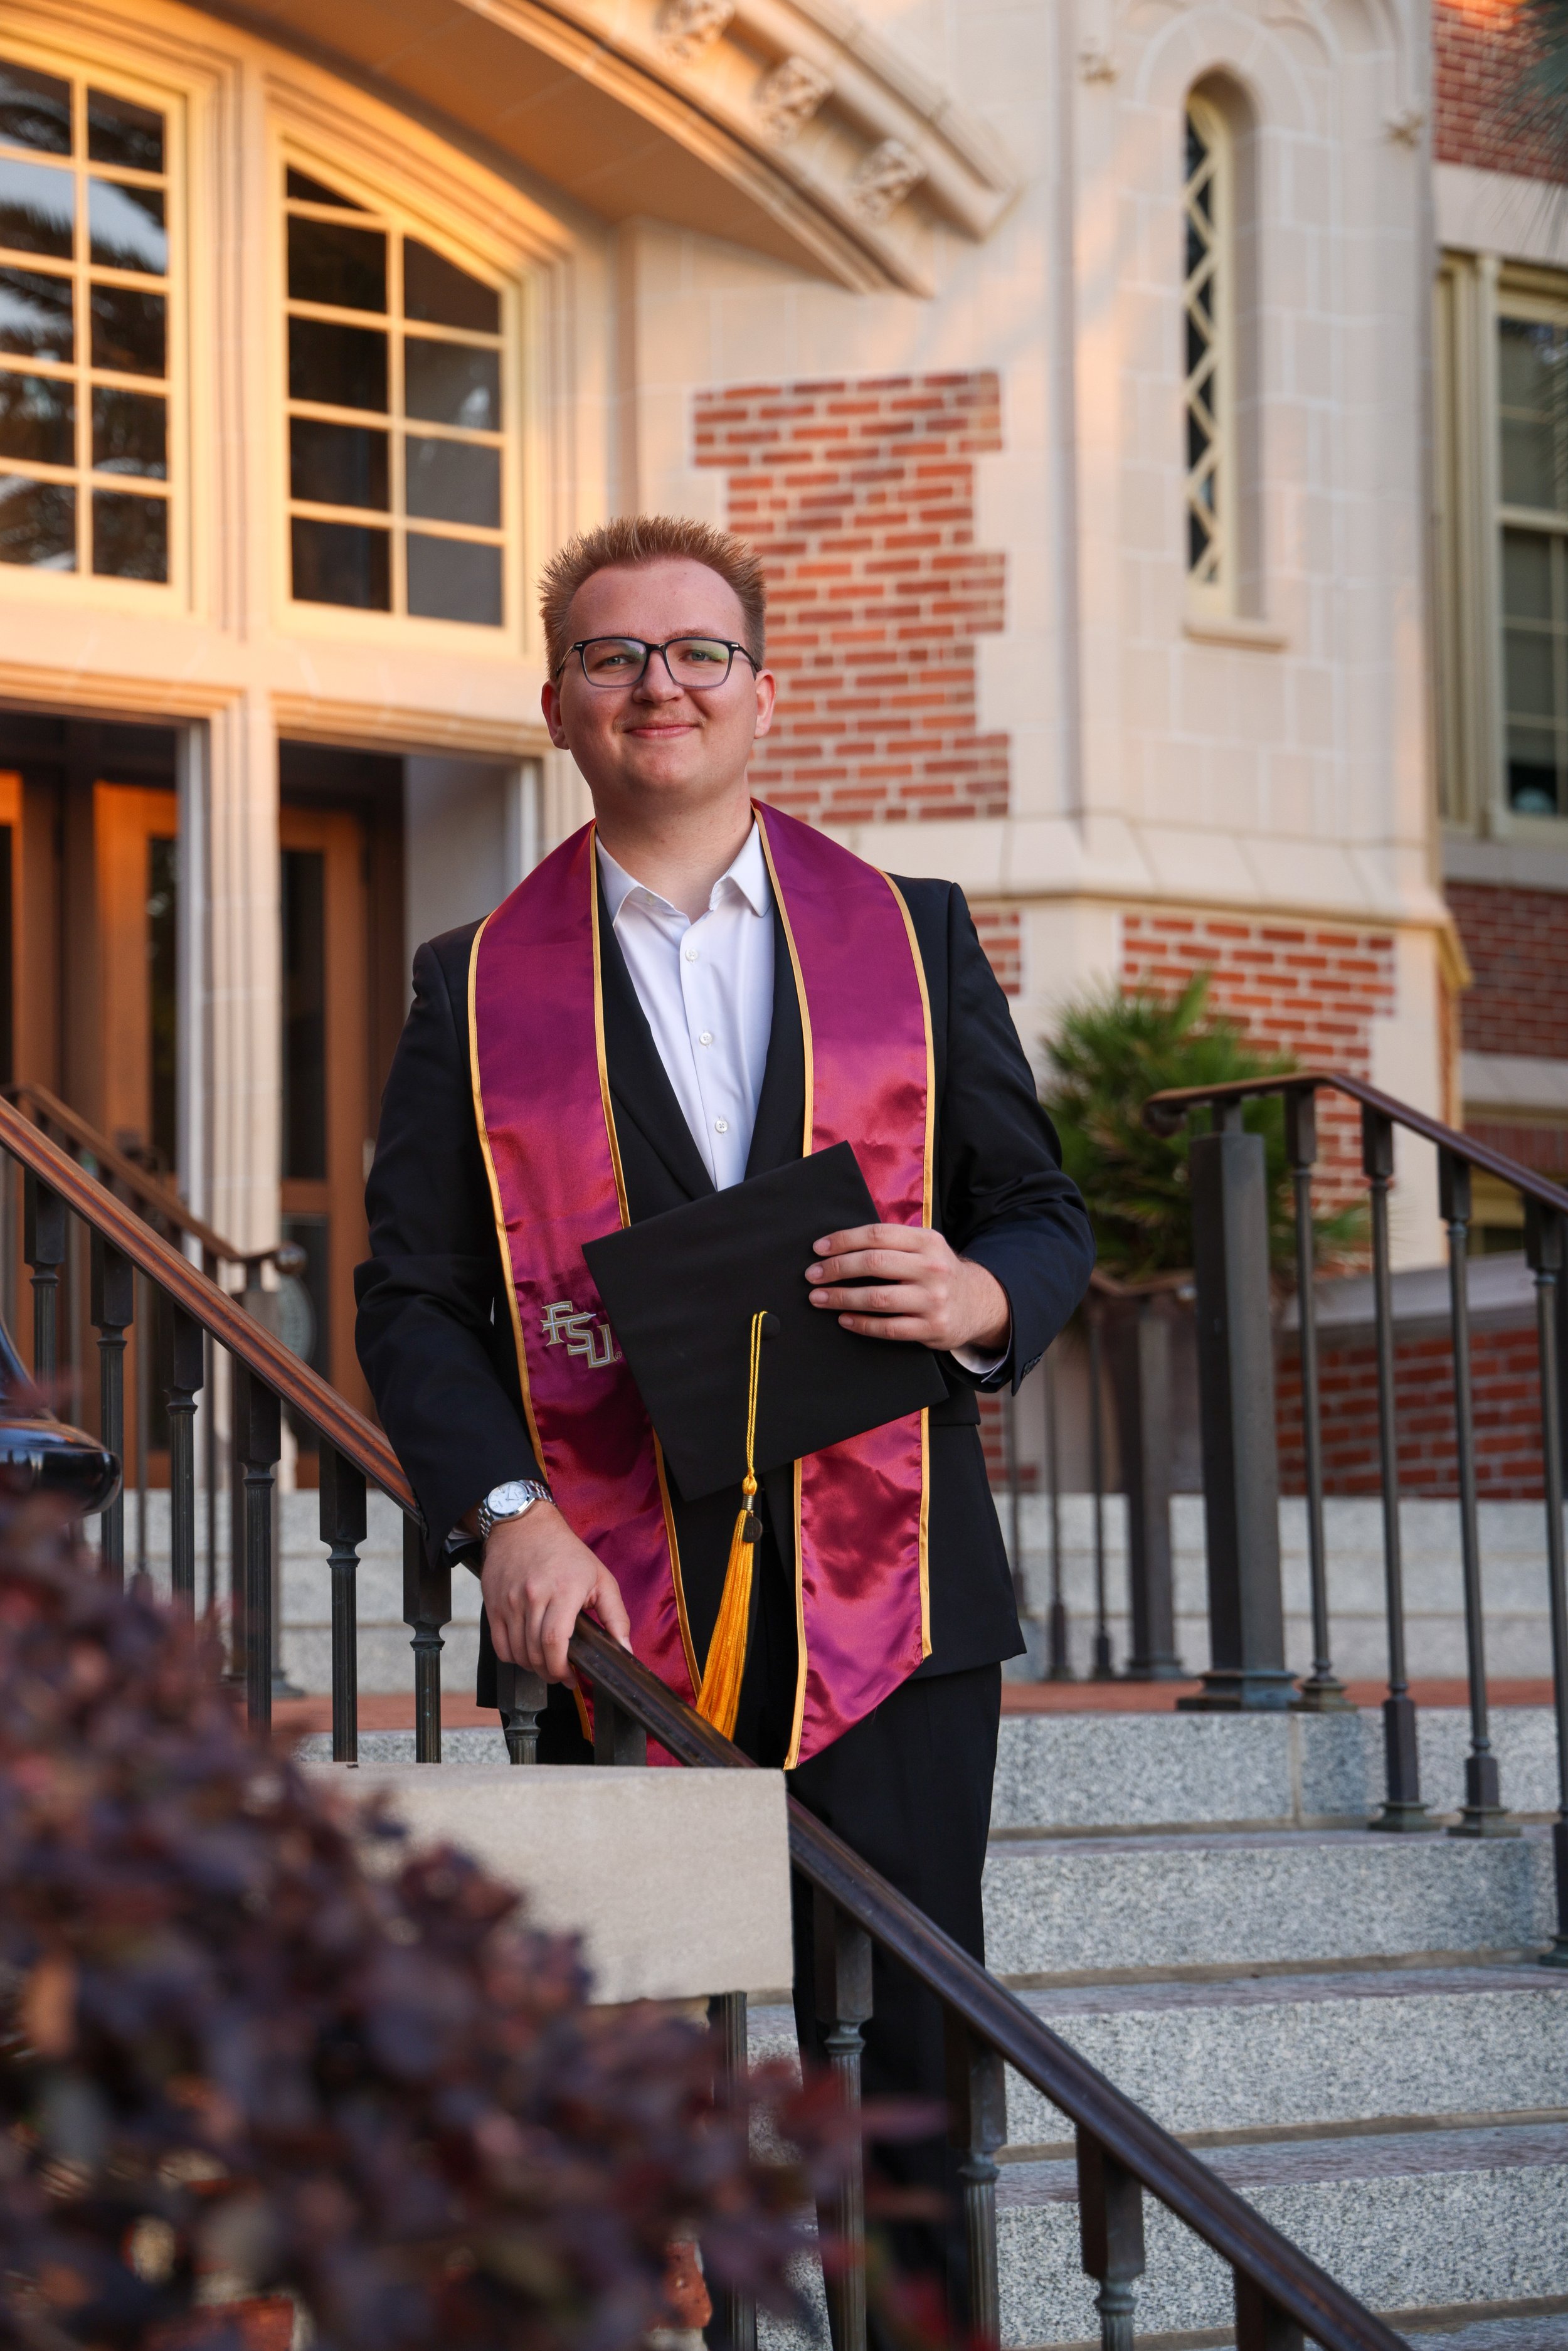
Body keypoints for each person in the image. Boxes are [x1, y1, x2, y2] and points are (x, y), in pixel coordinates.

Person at [356, 514, 1094, 2309]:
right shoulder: (473, 983)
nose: (656, 684)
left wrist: (983, 1295)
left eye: (695, 653)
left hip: (895, 1594)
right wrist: (503, 1507)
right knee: (624, 2061)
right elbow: (410, 1294)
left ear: (764, 693)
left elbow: (1039, 1211)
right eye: (613, 657)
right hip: (609, 1606)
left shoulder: (909, 937)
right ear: (557, 705)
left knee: (911, 2054)